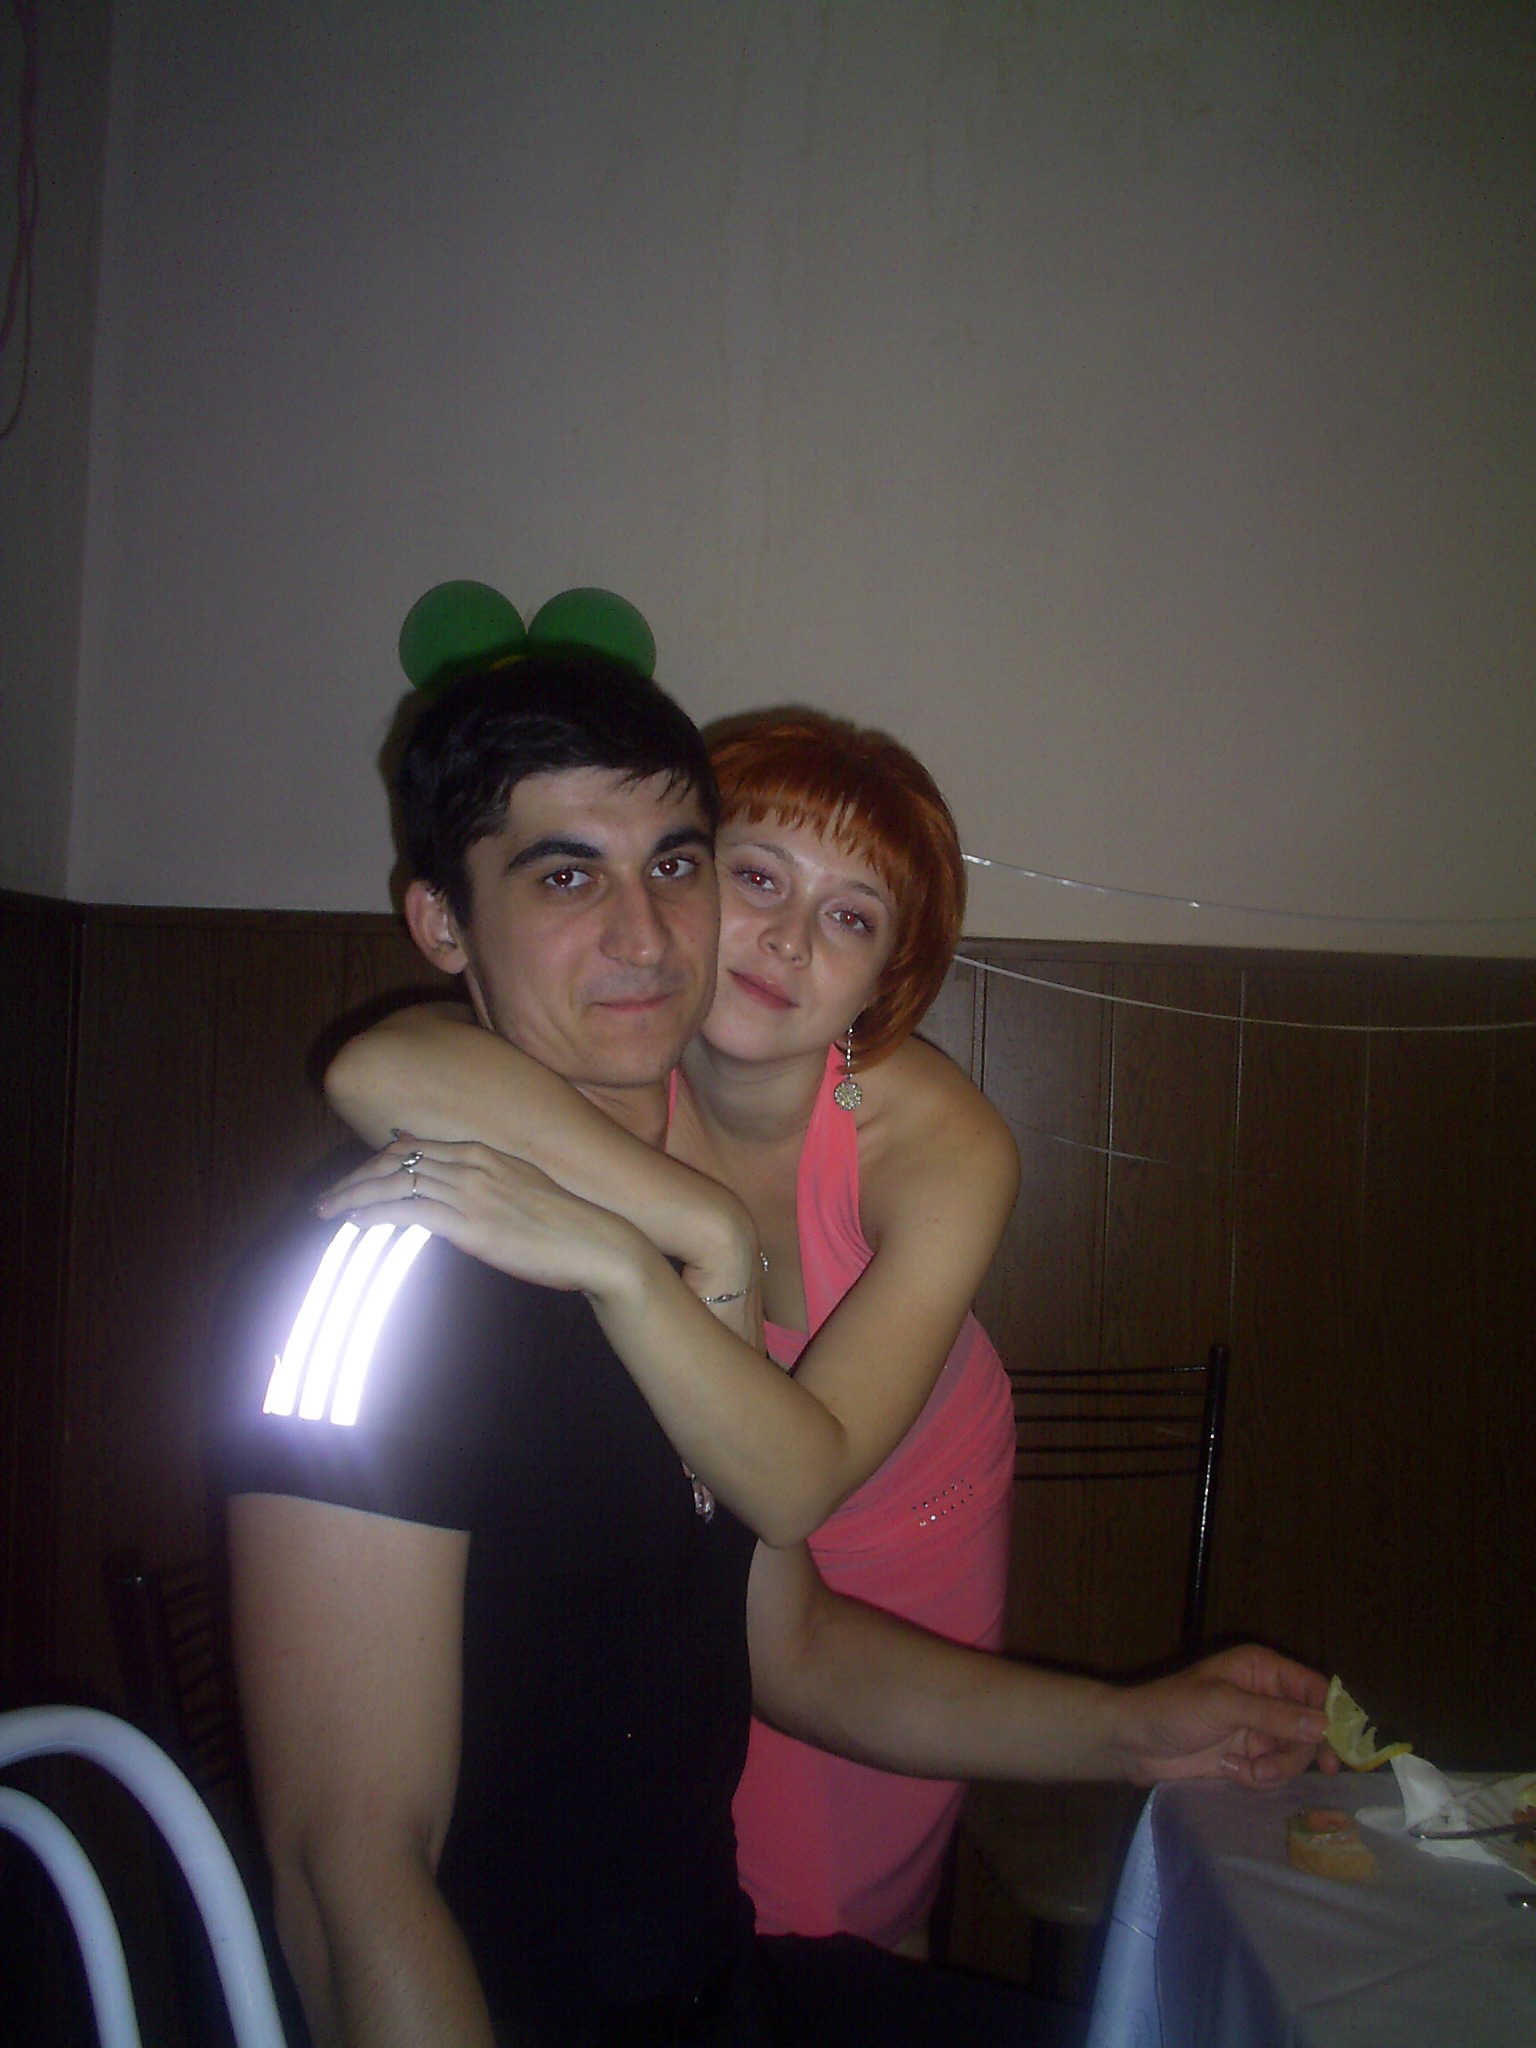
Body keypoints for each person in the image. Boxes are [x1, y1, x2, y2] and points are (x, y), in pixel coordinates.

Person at [219, 648, 1333, 2048]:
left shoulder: (685, 1270)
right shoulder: (385, 1279)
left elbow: (793, 1643)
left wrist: (1132, 1728)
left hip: (718, 1982)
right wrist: (683, 1241)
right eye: (566, 876)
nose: (644, 936)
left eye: (675, 866)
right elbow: (347, 1880)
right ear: (442, 924)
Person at [320, 707, 1020, 1955]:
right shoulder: (629, 1061)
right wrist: (695, 1219)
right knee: (702, 1869)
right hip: (711, 1566)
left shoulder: (941, 1140)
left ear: (886, 977)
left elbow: (798, 1478)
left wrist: (679, 1242)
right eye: (757, 877)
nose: (790, 938)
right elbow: (374, 1069)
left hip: (898, 1563)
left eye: (851, 917)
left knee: (859, 1913)